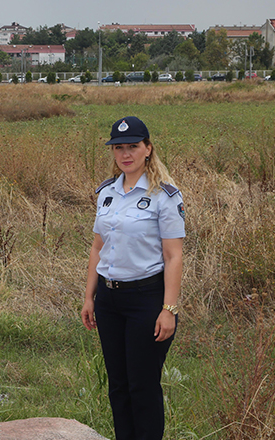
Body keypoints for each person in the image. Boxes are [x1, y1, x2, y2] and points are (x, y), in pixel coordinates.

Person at [80, 116, 185, 440]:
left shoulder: (164, 196)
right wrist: (88, 297)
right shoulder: (107, 193)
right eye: (119, 147)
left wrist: (169, 309)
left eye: (133, 147)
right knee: (119, 385)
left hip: (146, 299)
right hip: (109, 300)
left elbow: (173, 256)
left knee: (142, 386)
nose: (126, 154)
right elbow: (98, 247)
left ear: (148, 149)